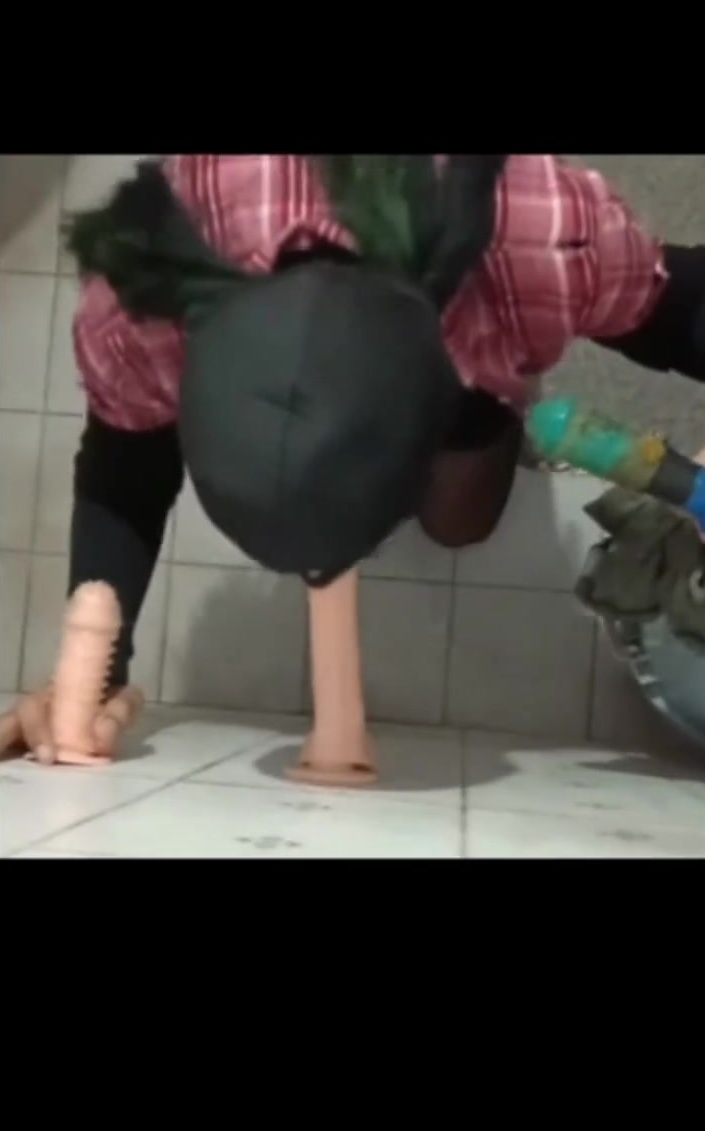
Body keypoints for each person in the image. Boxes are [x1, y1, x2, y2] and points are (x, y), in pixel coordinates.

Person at [2, 153, 704, 761]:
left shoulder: (538, 241)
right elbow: (126, 467)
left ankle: (478, 400)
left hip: (468, 298)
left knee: (459, 520)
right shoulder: (137, 310)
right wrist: (96, 673)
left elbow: (680, 306)